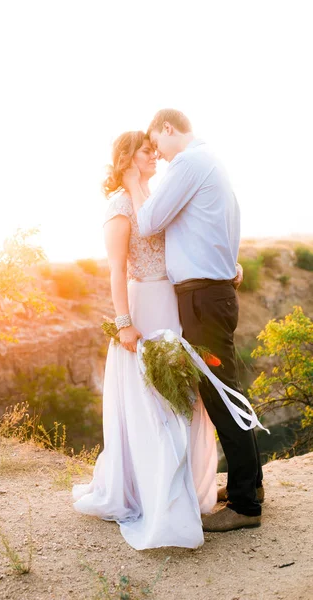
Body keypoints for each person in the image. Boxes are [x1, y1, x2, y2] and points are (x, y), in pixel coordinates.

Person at [72, 131, 217, 550]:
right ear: (126, 158)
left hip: (171, 303)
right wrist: (123, 323)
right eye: (146, 150)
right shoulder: (119, 206)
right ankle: (155, 496)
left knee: (181, 395)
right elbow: (117, 270)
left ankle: (186, 488)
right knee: (150, 398)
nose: (154, 154)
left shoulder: (156, 200)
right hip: (142, 306)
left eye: (156, 148)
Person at [124, 109, 263, 532]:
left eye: (156, 143)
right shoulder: (212, 161)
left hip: (203, 297)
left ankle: (245, 505)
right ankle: (249, 485)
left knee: (220, 394)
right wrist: (228, 265)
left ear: (168, 129)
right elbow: (222, 226)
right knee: (227, 390)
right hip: (213, 293)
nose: (158, 156)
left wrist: (132, 183)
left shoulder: (187, 162)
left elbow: (148, 222)